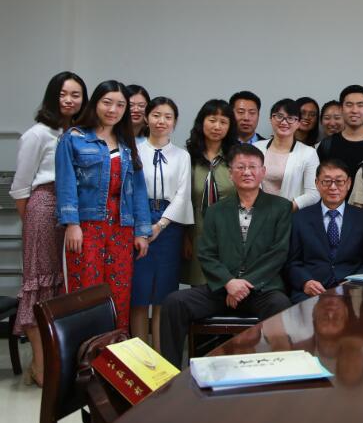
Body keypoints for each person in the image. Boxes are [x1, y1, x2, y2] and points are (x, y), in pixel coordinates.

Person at [159, 144, 293, 366]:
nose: (247, 172)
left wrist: (244, 284)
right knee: (175, 302)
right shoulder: (216, 210)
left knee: (281, 304)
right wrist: (229, 282)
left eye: (252, 167)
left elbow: (278, 253)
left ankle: (277, 370)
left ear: (263, 172)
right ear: (231, 174)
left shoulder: (281, 207)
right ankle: (169, 372)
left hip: (262, 290)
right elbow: (206, 253)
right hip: (222, 289)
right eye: (240, 167)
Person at [55, 80, 152, 333]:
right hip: (87, 226)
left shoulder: (126, 142)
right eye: (107, 102)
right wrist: (72, 224)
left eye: (120, 105)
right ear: (95, 103)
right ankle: (85, 352)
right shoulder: (73, 138)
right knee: (86, 290)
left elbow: (138, 189)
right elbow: (65, 183)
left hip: (122, 226)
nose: (113, 110)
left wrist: (142, 231)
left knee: (119, 290)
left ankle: (113, 349)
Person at [11, 71, 86, 386]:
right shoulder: (38, 134)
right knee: (39, 287)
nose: (69, 100)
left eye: (76, 95)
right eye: (63, 94)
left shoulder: (79, 133)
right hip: (43, 208)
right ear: (52, 96)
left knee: (59, 287)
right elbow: (20, 188)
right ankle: (40, 368)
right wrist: (32, 223)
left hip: (72, 212)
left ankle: (57, 365)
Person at [130, 97, 193, 349]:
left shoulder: (182, 156)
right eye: (156, 115)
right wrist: (143, 225)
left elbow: (182, 195)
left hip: (169, 226)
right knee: (139, 295)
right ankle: (138, 358)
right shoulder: (133, 150)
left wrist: (160, 225)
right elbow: (129, 190)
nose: (161, 121)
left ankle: (159, 355)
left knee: (163, 296)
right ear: (147, 118)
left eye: (168, 117)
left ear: (175, 122)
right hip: (138, 221)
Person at [288, 159, 363, 302]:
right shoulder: (299, 218)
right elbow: (293, 262)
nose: (333, 187)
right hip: (311, 291)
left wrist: (353, 283)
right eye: (326, 181)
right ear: (317, 183)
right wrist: (306, 282)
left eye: (339, 181)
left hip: (352, 292)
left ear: (349, 183)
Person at [182, 99, 238, 286]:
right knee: (199, 286)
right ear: (202, 122)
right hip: (197, 231)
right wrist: (185, 237)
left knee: (229, 284)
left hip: (230, 231)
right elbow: (182, 200)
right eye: (212, 120)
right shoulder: (187, 157)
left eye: (223, 122)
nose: (217, 127)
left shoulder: (237, 157)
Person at [254, 98, 319, 210]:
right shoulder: (256, 148)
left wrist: (286, 209)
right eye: (279, 116)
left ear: (298, 123)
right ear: (271, 119)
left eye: (290, 118)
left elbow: (314, 194)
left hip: (290, 215)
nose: (284, 122)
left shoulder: (309, 153)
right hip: (257, 212)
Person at [317, 85, 363, 184]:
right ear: (341, 109)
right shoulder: (327, 144)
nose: (354, 110)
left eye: (360, 105)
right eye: (349, 105)